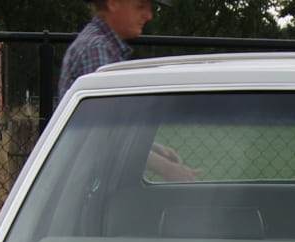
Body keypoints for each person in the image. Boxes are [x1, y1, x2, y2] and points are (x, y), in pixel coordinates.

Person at [59, 0, 197, 182]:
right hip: (85, 183)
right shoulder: (96, 50)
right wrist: (168, 169)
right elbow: (105, 135)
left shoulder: (103, 48)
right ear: (113, 3)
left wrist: (155, 148)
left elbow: (110, 127)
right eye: (140, 6)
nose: (148, 15)